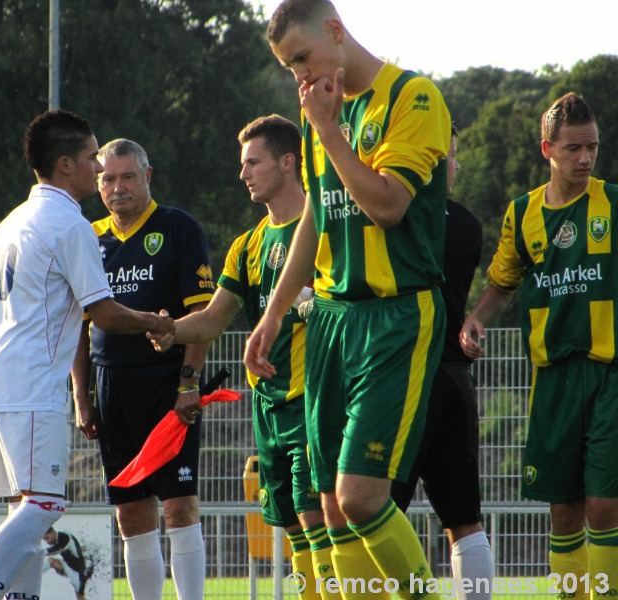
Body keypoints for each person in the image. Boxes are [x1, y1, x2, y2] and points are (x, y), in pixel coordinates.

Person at [243, 1, 451, 598]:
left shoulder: (412, 98)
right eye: (288, 67)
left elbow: (387, 206)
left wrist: (329, 131)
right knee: (331, 502)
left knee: (361, 497)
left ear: (336, 32)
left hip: (395, 315)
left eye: (302, 58)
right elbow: (316, 217)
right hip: (331, 318)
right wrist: (275, 311)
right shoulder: (317, 114)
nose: (299, 77)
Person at [0, 111, 174, 600]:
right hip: (32, 384)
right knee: (44, 507)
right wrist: (153, 322)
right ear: (64, 165)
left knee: (26, 513)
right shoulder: (69, 223)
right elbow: (101, 313)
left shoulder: (9, 224)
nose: (98, 167)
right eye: (90, 157)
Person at [149, 115, 334, 599]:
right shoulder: (248, 244)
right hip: (269, 407)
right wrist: (166, 329)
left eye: (253, 162)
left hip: (315, 403)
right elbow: (212, 320)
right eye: (242, 164)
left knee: (316, 520)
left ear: (288, 162)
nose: (243, 173)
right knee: (294, 529)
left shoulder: (329, 233)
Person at [460, 92, 618, 598]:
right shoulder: (522, 213)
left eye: (592, 147)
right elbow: (502, 282)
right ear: (546, 148)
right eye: (574, 148)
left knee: (604, 504)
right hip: (551, 379)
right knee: (564, 509)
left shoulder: (613, 204)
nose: (585, 158)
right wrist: (476, 319)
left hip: (609, 372)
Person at [70, 138, 213, 600]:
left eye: (128, 176)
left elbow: (202, 316)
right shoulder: (88, 237)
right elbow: (78, 327)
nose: (118, 188)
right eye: (107, 179)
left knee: (179, 506)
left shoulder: (177, 228)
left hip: (167, 387)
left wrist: (188, 384)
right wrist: (83, 397)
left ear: (147, 177)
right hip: (112, 388)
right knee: (130, 513)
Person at [390, 125, 494, 599]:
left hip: (400, 377)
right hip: (454, 377)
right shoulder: (468, 225)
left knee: (375, 511)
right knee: (464, 520)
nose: (456, 166)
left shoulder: (390, 217)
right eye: (450, 157)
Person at [42, 527, 94, 600]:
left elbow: (57, 549)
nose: (47, 542)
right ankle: (35, 574)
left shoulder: (65, 537)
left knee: (80, 597)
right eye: (45, 540)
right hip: (68, 566)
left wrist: (40, 553)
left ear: (53, 532)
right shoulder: (58, 539)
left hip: (78, 570)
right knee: (51, 561)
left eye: (47, 538)